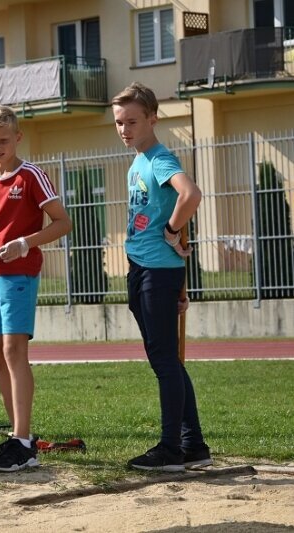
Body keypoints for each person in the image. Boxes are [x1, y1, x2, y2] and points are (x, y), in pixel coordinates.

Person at [0, 105, 72, 472]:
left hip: (20, 273)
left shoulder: (31, 176)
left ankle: (24, 441)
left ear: (18, 138)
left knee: (13, 350)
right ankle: (16, 436)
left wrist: (25, 243)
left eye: (4, 141)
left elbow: (62, 222)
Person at [112, 82, 212, 472]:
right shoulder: (138, 160)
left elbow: (191, 194)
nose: (124, 129)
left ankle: (171, 450)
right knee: (168, 360)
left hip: (156, 270)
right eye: (119, 122)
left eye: (132, 121)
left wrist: (171, 230)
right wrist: (181, 283)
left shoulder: (158, 159)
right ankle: (194, 445)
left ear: (153, 118)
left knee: (164, 362)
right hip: (146, 269)